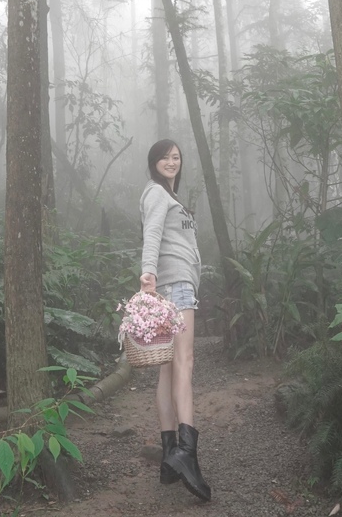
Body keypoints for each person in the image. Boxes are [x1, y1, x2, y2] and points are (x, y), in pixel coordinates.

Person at [139, 138, 211, 502]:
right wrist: (148, 275)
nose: (172, 161)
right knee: (185, 362)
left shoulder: (169, 196)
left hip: (176, 282)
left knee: (168, 369)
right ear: (154, 162)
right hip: (174, 284)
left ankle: (170, 457)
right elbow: (151, 234)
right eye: (165, 157)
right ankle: (187, 452)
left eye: (176, 157)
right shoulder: (156, 194)